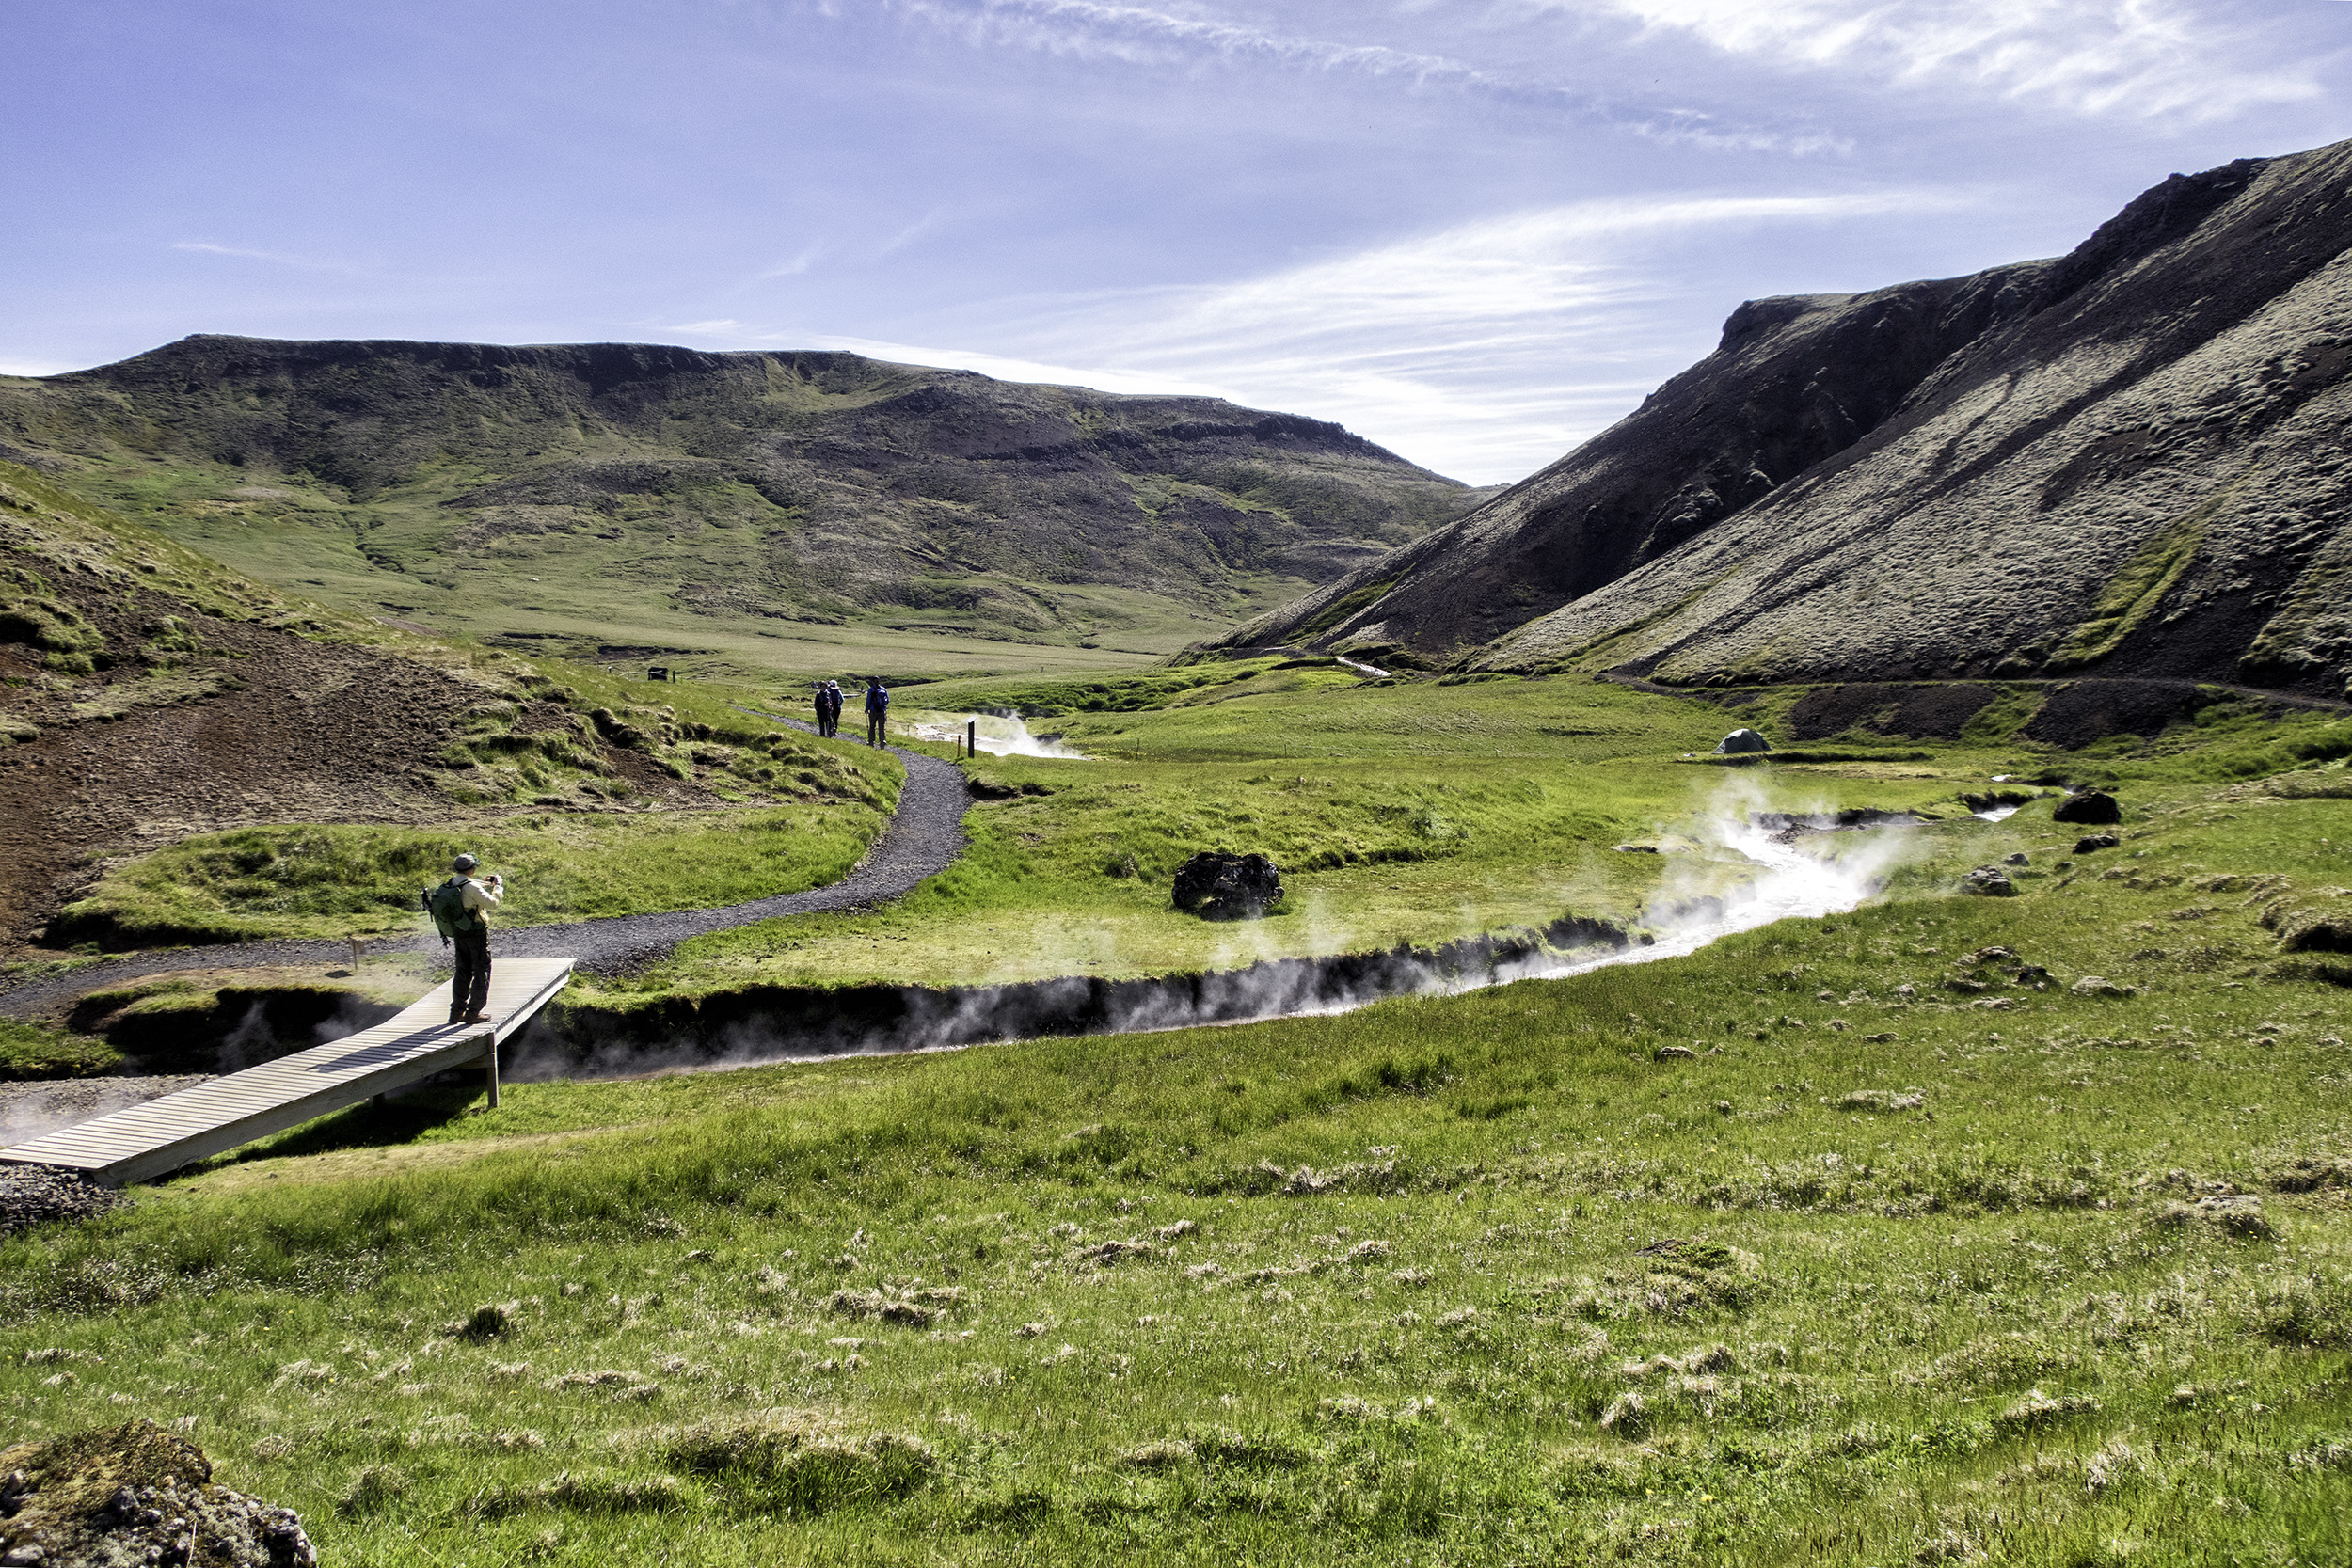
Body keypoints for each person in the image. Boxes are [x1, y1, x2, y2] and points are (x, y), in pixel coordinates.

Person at [429, 853, 504, 1024]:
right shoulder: (471, 887)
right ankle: (473, 1012)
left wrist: (484, 882)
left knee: (462, 971)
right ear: (472, 869)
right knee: (481, 971)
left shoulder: (450, 883)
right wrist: (498, 888)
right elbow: (493, 903)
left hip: (459, 933)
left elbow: (467, 887)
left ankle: (456, 1012)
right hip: (475, 934)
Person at [864, 679, 889, 747]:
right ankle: (882, 741)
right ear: (879, 682)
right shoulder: (884, 689)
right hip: (882, 711)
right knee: (881, 727)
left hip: (873, 711)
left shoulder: (871, 689)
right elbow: (888, 700)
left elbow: (868, 699)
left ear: (873, 682)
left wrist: (867, 709)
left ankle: (871, 742)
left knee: (872, 727)